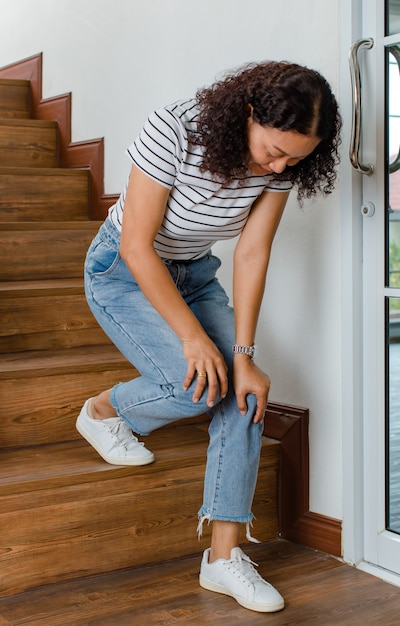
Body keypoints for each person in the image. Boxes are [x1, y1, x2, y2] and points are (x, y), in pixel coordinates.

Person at [76, 60, 341, 613]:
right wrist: (194, 339)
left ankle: (223, 557)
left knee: (243, 391)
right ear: (246, 114)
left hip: (194, 274)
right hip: (123, 271)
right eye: (273, 151)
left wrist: (245, 355)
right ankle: (104, 410)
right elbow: (136, 247)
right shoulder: (174, 129)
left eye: (295, 158)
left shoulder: (284, 162)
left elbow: (250, 252)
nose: (279, 165)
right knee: (190, 381)